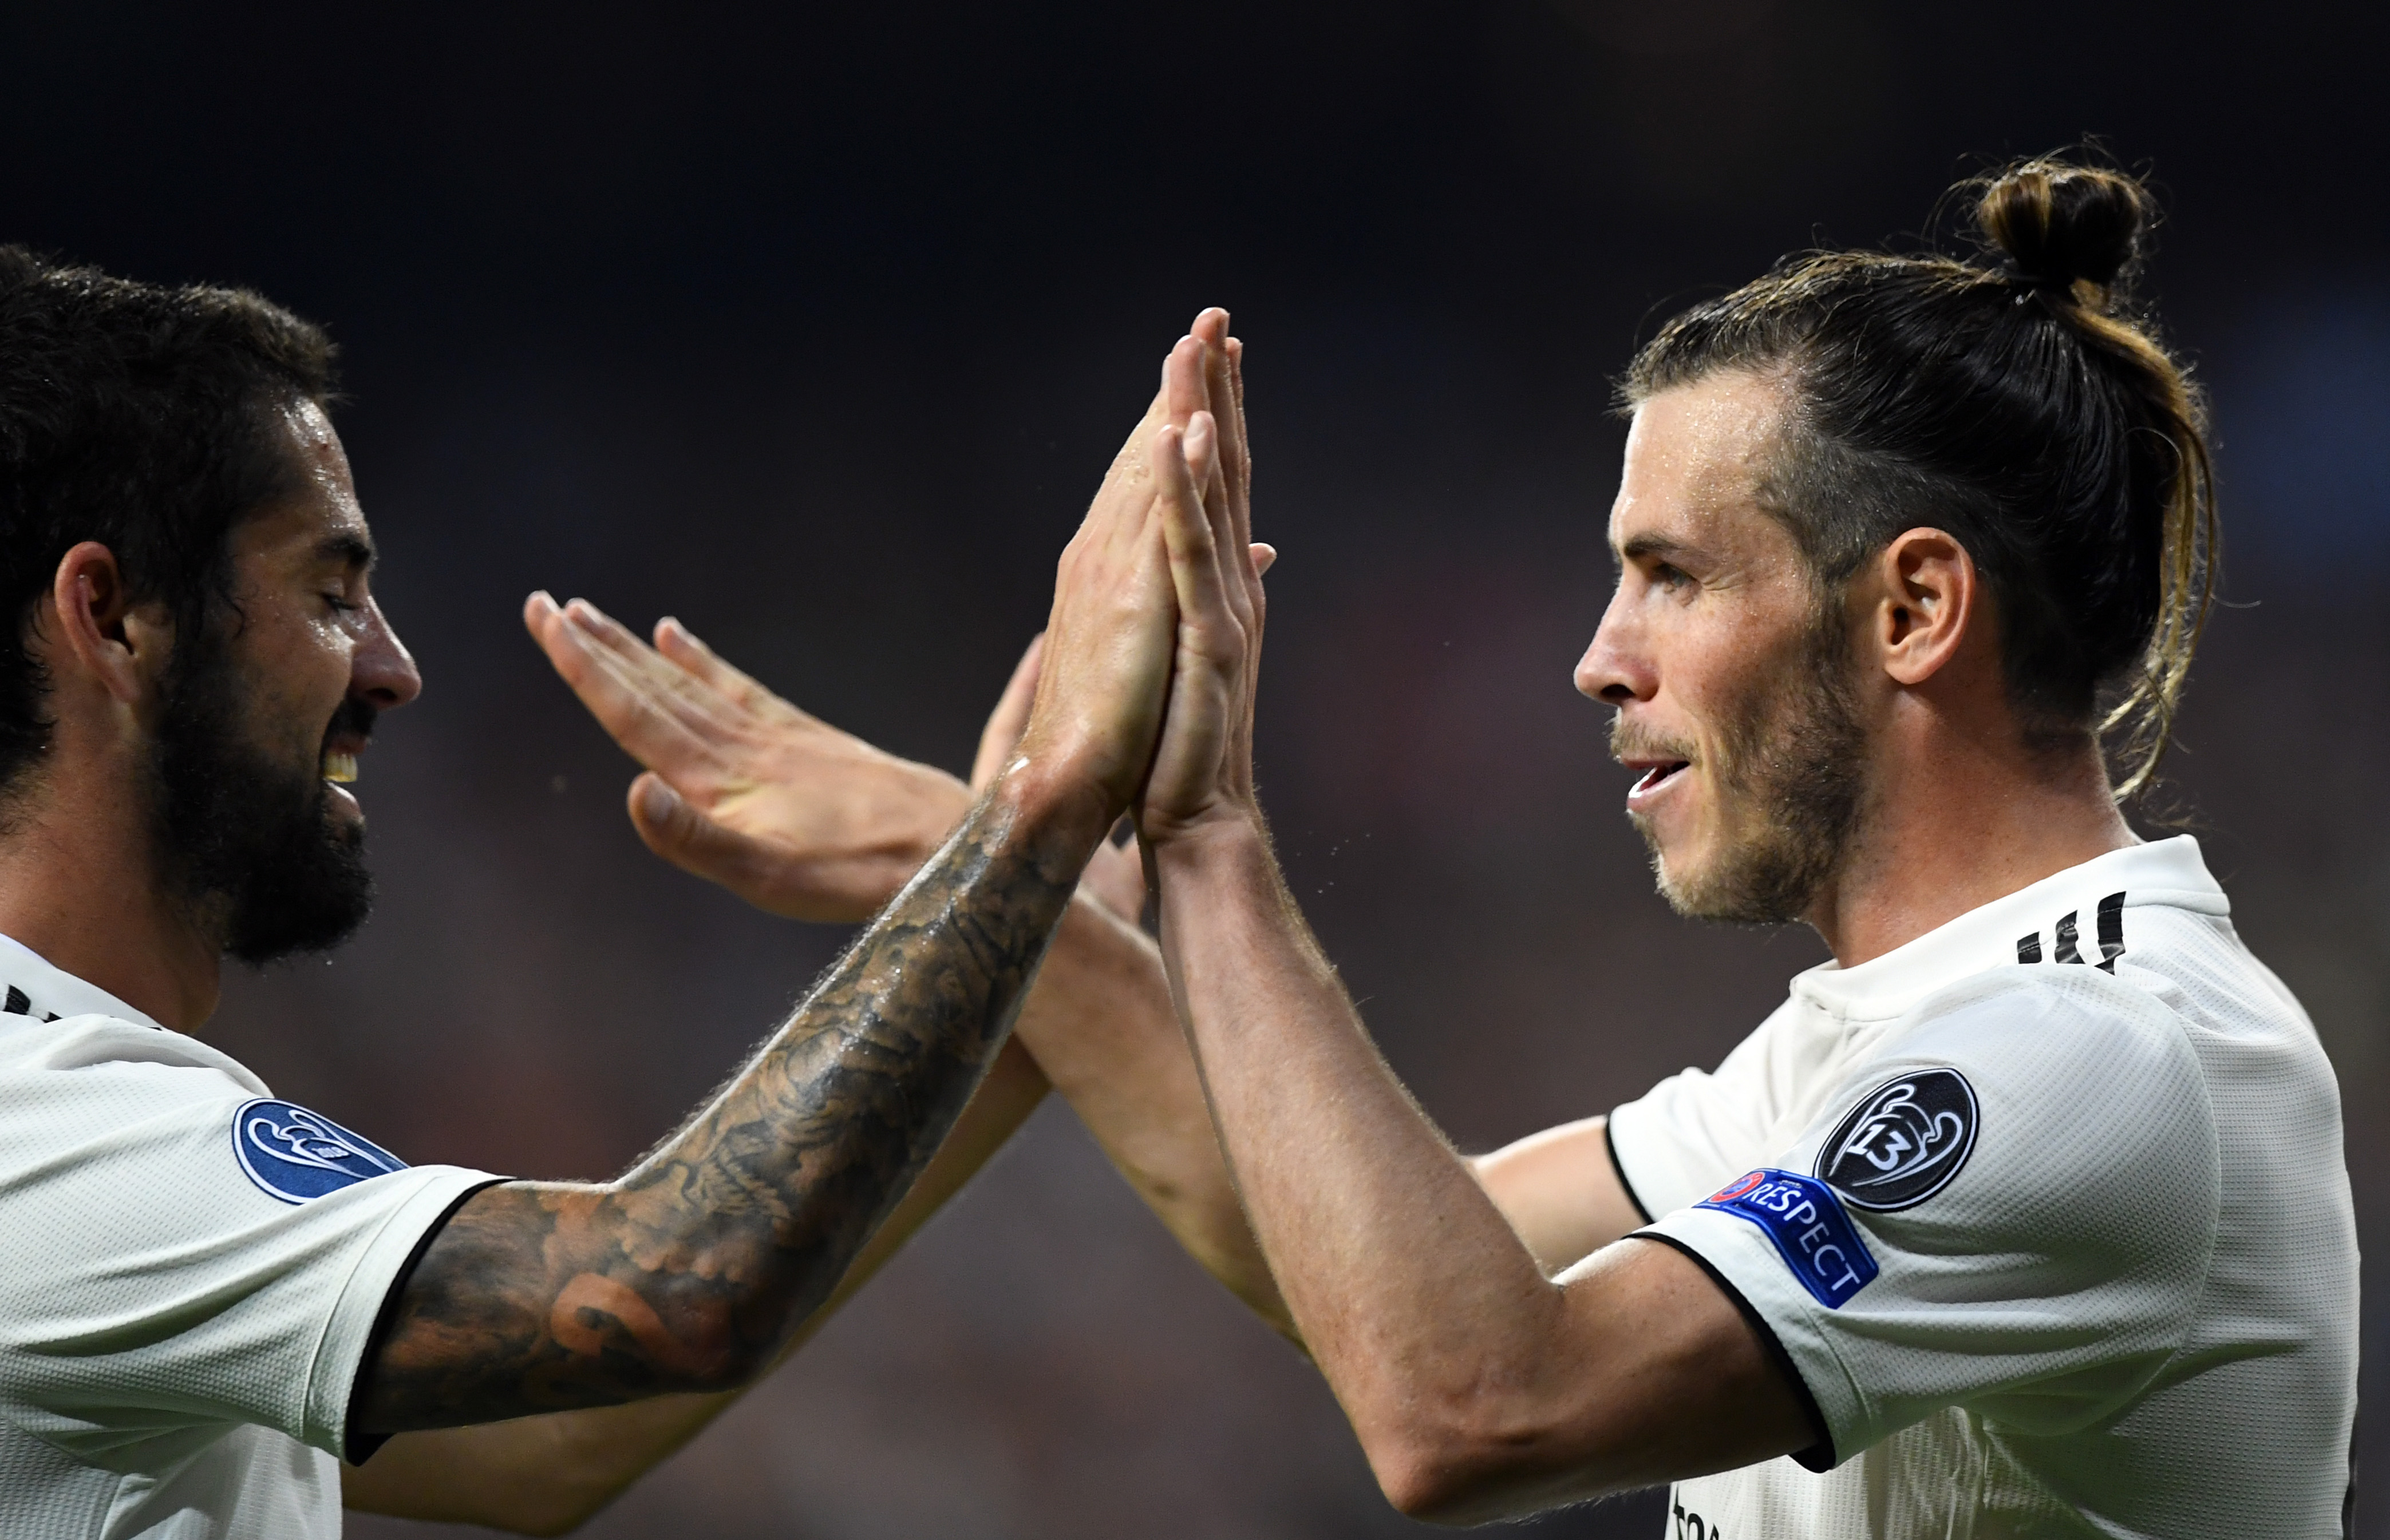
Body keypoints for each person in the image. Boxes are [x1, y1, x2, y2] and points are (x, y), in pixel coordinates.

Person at [548, 158, 2359, 1537]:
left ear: (1912, 609)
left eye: (1670, 572)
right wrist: (987, 855)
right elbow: (1388, 1256)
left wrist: (1207, 830)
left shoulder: (2098, 1061)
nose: (1598, 653)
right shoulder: (1904, 1036)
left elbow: (1474, 1400)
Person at [0, 247, 1249, 1538]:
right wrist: (1041, 806)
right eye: (331, 593)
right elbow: (670, 1282)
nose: (392, 666)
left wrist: (1027, 945)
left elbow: (549, 1440)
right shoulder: (41, 1139)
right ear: (112, 615)